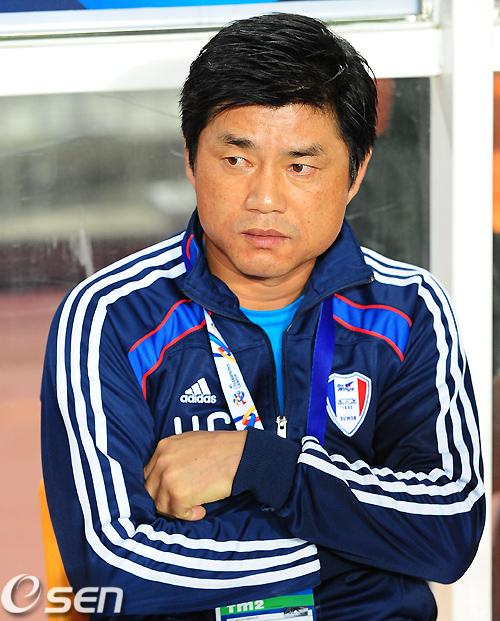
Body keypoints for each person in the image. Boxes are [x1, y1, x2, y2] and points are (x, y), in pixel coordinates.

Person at [41, 12, 485, 621]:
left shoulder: (407, 310)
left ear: (356, 173)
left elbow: (449, 527)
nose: (265, 199)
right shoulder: (110, 318)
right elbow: (115, 573)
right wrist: (367, 549)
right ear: (191, 159)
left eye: (301, 166)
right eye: (237, 160)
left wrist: (261, 465)